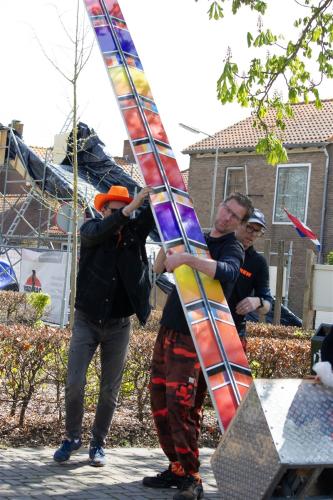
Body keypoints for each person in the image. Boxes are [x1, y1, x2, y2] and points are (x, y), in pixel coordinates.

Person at [143, 192, 253, 500]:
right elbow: (160, 270)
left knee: (182, 405)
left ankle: (193, 477)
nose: (227, 217)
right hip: (169, 329)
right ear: (218, 205)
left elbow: (228, 271)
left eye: (235, 216)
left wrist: (188, 259)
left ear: (240, 223)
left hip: (196, 337)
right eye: (226, 209)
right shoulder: (196, 238)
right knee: (160, 403)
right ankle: (176, 468)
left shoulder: (232, 247)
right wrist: (166, 252)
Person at [54, 185, 154, 466]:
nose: (125, 214)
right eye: (116, 209)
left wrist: (162, 195)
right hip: (87, 320)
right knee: (74, 382)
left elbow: (155, 215)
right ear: (103, 211)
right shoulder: (91, 230)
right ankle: (72, 437)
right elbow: (102, 230)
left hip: (119, 325)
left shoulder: (134, 234)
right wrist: (129, 209)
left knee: (110, 389)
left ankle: (98, 442)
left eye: (128, 208)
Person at [229, 208, 273, 351]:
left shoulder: (258, 263)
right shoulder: (218, 246)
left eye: (257, 231)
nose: (252, 234)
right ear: (238, 223)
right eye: (249, 227)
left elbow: (267, 304)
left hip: (235, 333)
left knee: (233, 375)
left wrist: (257, 301)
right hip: (204, 327)